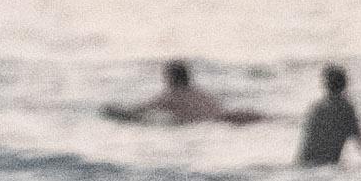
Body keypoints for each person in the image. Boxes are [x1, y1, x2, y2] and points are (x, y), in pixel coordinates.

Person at [104, 60, 267, 126]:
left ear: (170, 77)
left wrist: (113, 112)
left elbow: (138, 111)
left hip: (209, 124)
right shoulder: (201, 92)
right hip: (230, 116)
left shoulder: (170, 96)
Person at [296, 65, 361, 166]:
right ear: (345, 84)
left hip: (303, 164)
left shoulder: (316, 108)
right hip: (326, 167)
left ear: (326, 85)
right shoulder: (345, 108)